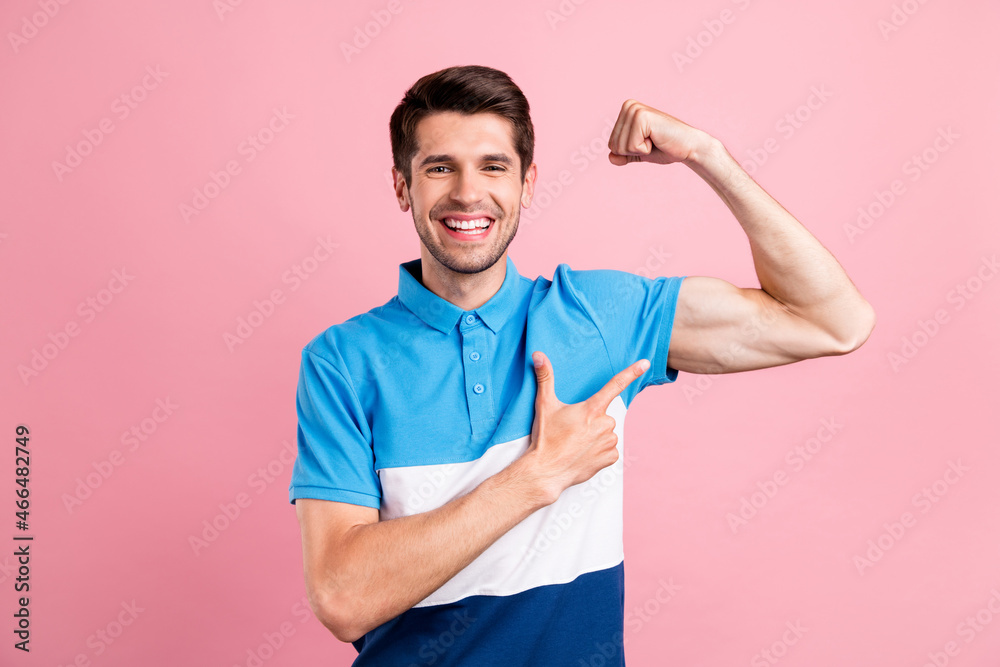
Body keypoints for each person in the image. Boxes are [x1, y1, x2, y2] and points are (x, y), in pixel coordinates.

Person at [288, 64, 875, 666]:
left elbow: (832, 321)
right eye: (440, 167)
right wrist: (536, 477)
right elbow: (342, 597)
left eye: (494, 166)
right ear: (402, 186)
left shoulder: (600, 316)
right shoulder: (342, 361)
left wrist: (708, 155)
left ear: (528, 183)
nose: (468, 192)